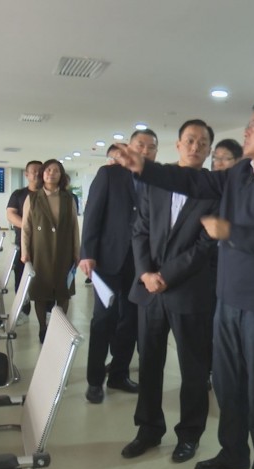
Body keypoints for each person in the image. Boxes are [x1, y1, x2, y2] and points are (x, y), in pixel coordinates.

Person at [113, 101, 254, 469]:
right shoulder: (241, 172)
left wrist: (230, 232)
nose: (246, 130)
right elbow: (195, 181)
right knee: (226, 385)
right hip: (227, 298)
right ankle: (233, 452)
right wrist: (145, 168)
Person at [122, 119, 219, 464]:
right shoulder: (157, 182)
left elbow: (205, 244)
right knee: (149, 363)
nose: (195, 147)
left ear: (209, 150)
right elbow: (140, 229)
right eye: (190, 140)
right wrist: (146, 273)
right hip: (150, 292)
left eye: (202, 143)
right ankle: (148, 429)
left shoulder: (214, 189)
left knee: (194, 369)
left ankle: (189, 435)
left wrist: (165, 275)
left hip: (189, 292)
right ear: (177, 145)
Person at [79, 130, 159, 404]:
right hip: (107, 260)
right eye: (140, 145)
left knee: (132, 321)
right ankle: (94, 380)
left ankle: (119, 374)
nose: (145, 150)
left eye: (151, 147)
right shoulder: (109, 174)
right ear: (129, 148)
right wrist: (87, 253)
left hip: (142, 264)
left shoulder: (159, 179)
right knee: (104, 319)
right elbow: (92, 215)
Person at [21, 159, 80, 342]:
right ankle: (42, 327)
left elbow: (74, 226)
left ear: (61, 175)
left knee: (63, 292)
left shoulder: (68, 198)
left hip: (64, 250)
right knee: (41, 291)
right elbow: (26, 227)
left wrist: (77, 252)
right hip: (40, 250)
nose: (51, 173)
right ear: (42, 174)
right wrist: (25, 251)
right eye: (48, 170)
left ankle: (58, 327)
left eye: (56, 170)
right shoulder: (32, 198)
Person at [7, 160, 43, 324]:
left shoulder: (50, 194)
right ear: (26, 174)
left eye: (40, 170)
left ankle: (47, 312)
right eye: (33, 171)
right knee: (21, 277)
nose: (37, 173)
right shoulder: (19, 194)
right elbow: (11, 214)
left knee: (45, 278)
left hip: (45, 246)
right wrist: (29, 227)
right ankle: (23, 311)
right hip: (23, 242)